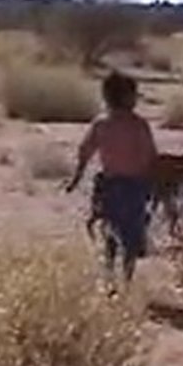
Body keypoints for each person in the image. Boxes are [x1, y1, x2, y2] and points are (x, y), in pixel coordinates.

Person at [64, 71, 158, 283]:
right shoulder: (138, 125)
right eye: (134, 95)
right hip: (134, 187)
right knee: (131, 234)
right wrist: (153, 179)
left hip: (109, 185)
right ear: (126, 97)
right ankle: (127, 278)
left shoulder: (101, 124)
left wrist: (76, 178)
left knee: (111, 233)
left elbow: (85, 151)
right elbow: (149, 156)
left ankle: (109, 276)